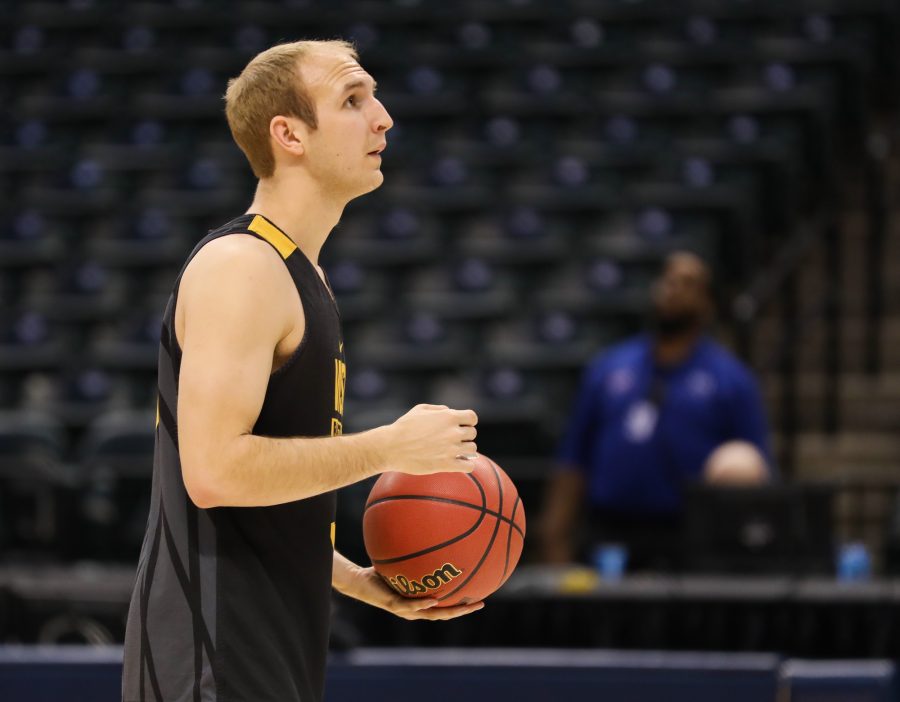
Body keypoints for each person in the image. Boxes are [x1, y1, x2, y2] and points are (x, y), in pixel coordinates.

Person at [122, 40, 483, 702]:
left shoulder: (301, 274)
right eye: (352, 100)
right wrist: (391, 448)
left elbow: (265, 506)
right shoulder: (243, 267)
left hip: (266, 647)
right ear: (288, 134)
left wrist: (355, 579)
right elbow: (214, 473)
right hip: (209, 659)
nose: (384, 118)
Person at [538, 252, 772, 569]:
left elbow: (755, 466)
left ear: (708, 303)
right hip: (609, 528)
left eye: (688, 283)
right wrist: (555, 533)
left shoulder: (731, 380)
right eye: (668, 279)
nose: (672, 289)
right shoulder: (609, 367)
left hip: (688, 532)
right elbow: (574, 458)